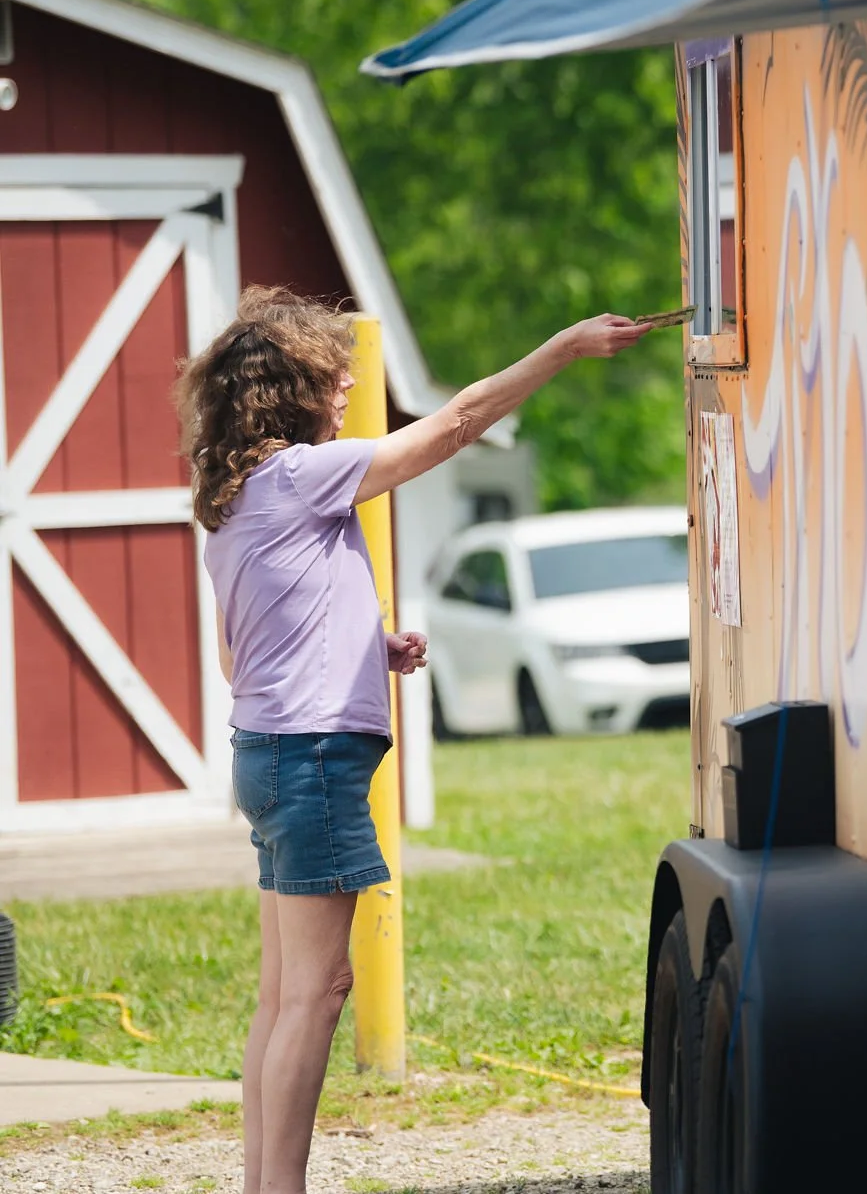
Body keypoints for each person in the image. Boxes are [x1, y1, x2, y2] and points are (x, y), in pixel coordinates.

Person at [174, 287, 651, 1194]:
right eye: (333, 373)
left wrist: (366, 645)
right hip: (312, 759)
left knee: (282, 995)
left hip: (270, 754)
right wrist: (562, 348)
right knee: (318, 993)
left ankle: (262, 1187)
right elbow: (458, 422)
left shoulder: (235, 501)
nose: (349, 382)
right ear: (293, 389)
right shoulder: (301, 476)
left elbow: (245, 658)